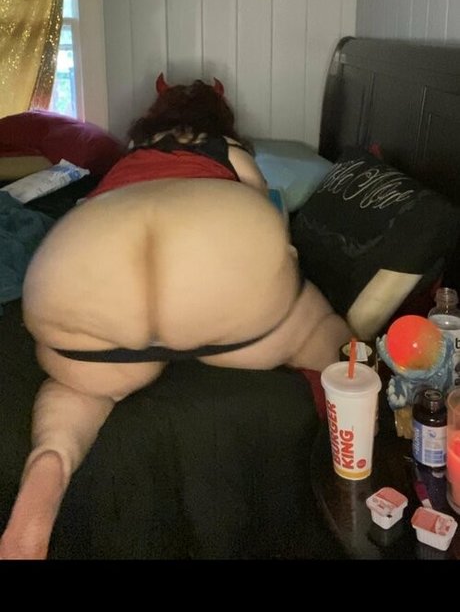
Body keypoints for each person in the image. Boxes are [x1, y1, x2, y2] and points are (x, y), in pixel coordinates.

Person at [0, 74, 351, 560]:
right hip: (208, 260)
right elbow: (263, 205)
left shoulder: (133, 151)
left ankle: (51, 461)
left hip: (90, 253)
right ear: (219, 120)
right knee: (323, 334)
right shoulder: (225, 147)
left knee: (75, 388)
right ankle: (376, 432)